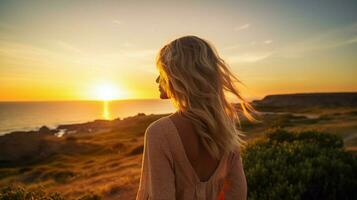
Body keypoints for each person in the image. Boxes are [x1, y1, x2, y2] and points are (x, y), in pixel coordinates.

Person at [136, 35, 255, 200]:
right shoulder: (225, 127)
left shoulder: (159, 133)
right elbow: (237, 193)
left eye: (161, 72)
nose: (157, 79)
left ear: (178, 76)